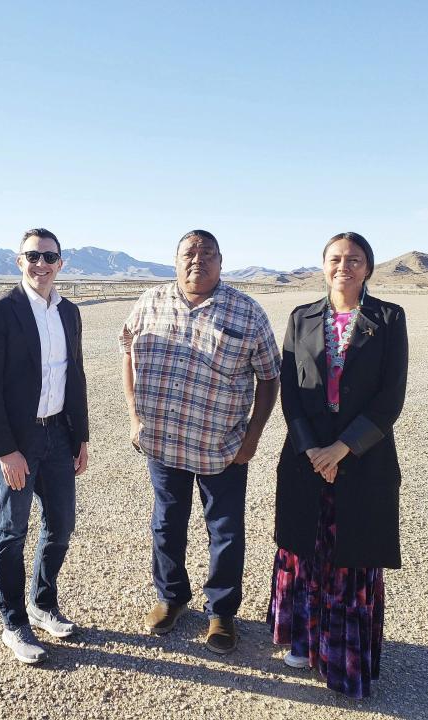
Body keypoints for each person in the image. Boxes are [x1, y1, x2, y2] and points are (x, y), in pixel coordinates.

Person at [119, 229, 281, 654]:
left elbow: (269, 376)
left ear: (221, 262)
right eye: (190, 252)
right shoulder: (150, 302)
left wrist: (252, 437)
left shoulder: (247, 312)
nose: (198, 260)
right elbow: (129, 353)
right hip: (163, 442)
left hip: (222, 447)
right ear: (175, 260)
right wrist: (135, 416)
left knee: (225, 530)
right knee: (166, 523)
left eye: (208, 253)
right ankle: (171, 598)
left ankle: (221, 612)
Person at [267, 231, 408, 698]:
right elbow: (290, 391)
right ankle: (303, 641)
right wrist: (312, 450)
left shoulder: (388, 319)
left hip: (362, 461)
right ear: (323, 265)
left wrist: (342, 449)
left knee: (350, 556)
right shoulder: (302, 317)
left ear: (368, 267)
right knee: (304, 548)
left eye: (354, 259)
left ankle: (341, 657)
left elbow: (390, 400)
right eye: (335, 258)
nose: (343, 266)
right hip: (306, 459)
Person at [0, 228, 90, 664]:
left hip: (58, 435)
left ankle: (43, 604)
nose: (41, 264)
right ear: (19, 261)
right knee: (11, 532)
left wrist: (81, 436)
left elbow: (73, 374)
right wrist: (6, 451)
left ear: (61, 263)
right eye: (32, 257)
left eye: (49, 257)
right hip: (17, 443)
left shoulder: (69, 312)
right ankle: (14, 623)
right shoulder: (0, 311)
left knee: (60, 525)